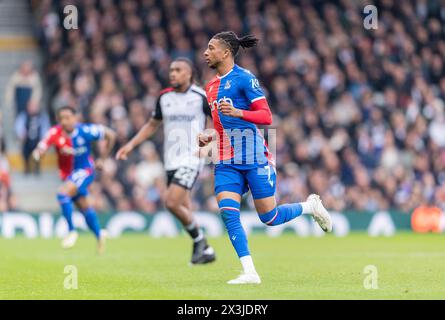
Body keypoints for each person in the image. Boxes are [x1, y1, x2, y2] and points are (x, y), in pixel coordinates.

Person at [199, 31, 333, 284]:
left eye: (211, 48)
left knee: (269, 217)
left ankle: (310, 206)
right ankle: (250, 272)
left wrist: (239, 112)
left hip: (253, 155)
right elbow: (219, 126)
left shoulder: (244, 79)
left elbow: (266, 116)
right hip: (226, 160)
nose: (206, 53)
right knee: (228, 212)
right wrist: (208, 137)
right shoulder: (210, 86)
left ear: (226, 52)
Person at [116, 57, 216, 265]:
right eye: (171, 70)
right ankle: (205, 249)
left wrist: (207, 145)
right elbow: (152, 125)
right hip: (170, 160)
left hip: (192, 157)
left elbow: (217, 122)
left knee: (171, 202)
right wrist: (131, 144)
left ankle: (199, 241)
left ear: (189, 74)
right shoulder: (164, 98)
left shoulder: (200, 97)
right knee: (184, 206)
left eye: (178, 70)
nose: (173, 73)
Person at [33, 106, 116, 254]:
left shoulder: (85, 131)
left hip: (85, 170)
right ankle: (99, 234)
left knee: (62, 194)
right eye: (61, 118)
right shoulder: (55, 133)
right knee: (83, 206)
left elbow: (111, 135)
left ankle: (71, 232)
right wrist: (38, 154)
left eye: (68, 117)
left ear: (75, 118)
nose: (64, 121)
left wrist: (102, 159)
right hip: (68, 176)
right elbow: (41, 146)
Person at [14, 99, 50, 175]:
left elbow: (45, 127)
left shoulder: (42, 116)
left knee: (38, 152)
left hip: (37, 139)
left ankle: (37, 167)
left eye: (35, 106)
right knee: (25, 153)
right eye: (31, 106)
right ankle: (26, 167)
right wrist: (21, 134)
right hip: (27, 139)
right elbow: (19, 126)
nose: (33, 108)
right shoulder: (23, 116)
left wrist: (44, 138)